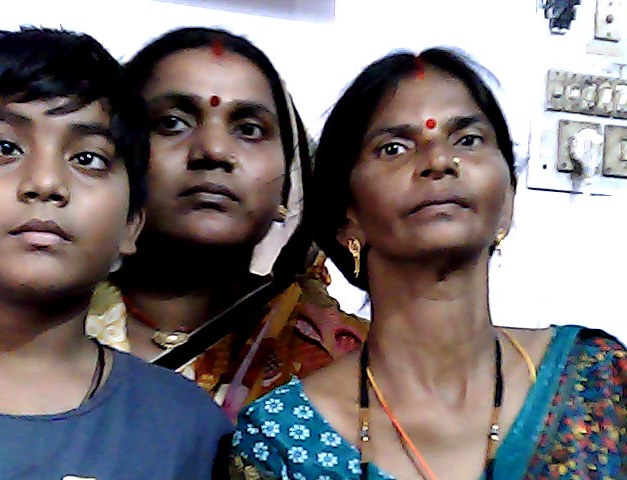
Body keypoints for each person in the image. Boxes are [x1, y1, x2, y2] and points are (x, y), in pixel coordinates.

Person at [232, 49, 627, 479]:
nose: (439, 161)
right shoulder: (282, 441)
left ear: (507, 201)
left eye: (468, 140)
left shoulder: (596, 381)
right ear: (347, 219)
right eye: (393, 148)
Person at [85, 27, 368, 419]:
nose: (214, 151)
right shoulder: (35, 332)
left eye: (249, 130)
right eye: (172, 123)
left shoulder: (352, 364)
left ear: (288, 183)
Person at [0, 27, 232, 479]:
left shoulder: (185, 431)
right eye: (2, 148)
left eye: (88, 159)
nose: (46, 183)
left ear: (132, 224)